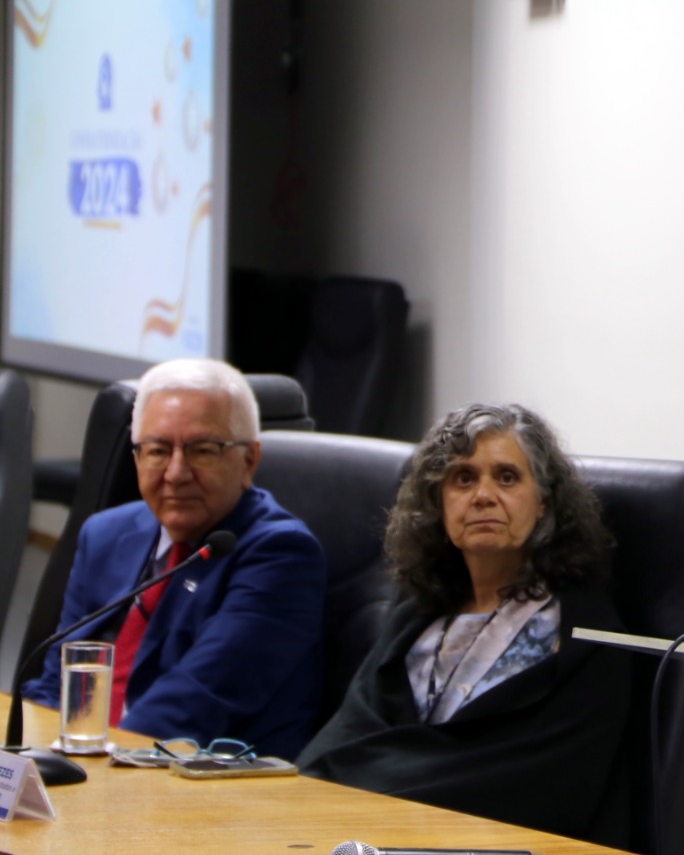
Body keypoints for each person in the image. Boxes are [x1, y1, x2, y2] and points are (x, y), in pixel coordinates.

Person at [297, 403, 632, 847]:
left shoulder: (583, 635)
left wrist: (377, 781)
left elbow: (538, 785)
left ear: (544, 501)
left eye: (507, 477)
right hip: (371, 834)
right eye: (463, 478)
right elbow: (336, 747)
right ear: (439, 502)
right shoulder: (418, 614)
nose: (483, 496)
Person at [23, 359, 326, 758]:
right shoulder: (106, 533)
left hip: (203, 778)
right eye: (158, 451)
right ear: (137, 458)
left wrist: (93, 773)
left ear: (249, 460)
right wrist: (29, 760)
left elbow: (193, 705)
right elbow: (55, 684)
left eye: (203, 451)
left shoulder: (281, 554)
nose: (176, 473)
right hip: (89, 763)